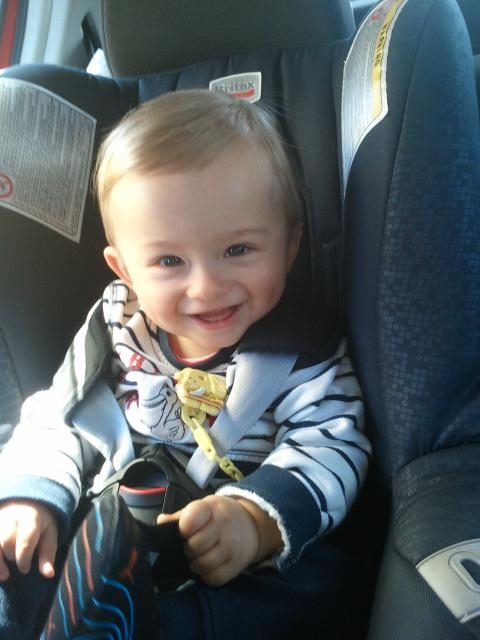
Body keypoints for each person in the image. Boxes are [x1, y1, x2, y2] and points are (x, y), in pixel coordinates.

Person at [0, 89, 371, 639]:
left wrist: (255, 521)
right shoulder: (118, 328)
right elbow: (60, 413)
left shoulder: (303, 349)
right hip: (114, 528)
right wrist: (31, 494)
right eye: (169, 261)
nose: (206, 286)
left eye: (238, 250)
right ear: (125, 270)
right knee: (26, 550)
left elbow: (332, 447)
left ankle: (147, 622)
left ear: (290, 246)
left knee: (325, 582)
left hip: (233, 551)